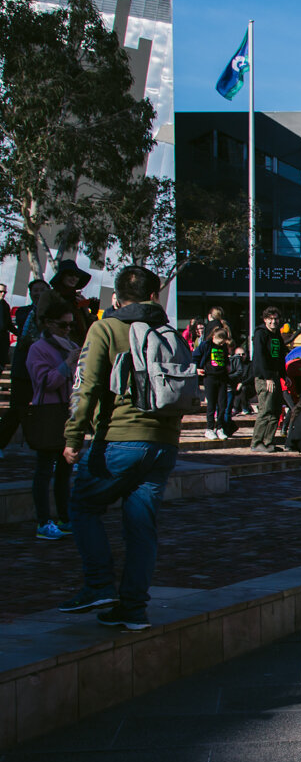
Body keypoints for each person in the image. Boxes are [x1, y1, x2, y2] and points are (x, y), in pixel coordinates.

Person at [58, 265, 183, 632]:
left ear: (116, 298)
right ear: (155, 296)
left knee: (82, 506)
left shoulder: (106, 328)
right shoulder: (168, 331)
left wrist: (72, 436)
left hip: (119, 439)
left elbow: (87, 385)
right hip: (162, 443)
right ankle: (132, 608)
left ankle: (98, 585)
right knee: (141, 527)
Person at [26, 304, 80, 540]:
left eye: (70, 324)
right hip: (48, 411)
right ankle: (43, 520)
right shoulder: (38, 349)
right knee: (45, 468)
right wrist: (67, 362)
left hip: (68, 411)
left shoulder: (72, 347)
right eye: (62, 325)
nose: (67, 329)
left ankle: (64, 518)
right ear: (49, 323)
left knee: (65, 468)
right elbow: (45, 382)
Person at [0, 279, 53, 456]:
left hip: (46, 368)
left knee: (46, 409)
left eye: (42, 290)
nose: (38, 293)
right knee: (17, 408)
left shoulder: (55, 313)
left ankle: (45, 447)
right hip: (23, 368)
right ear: (30, 294)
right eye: (35, 290)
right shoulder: (24, 312)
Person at [250, 306, 286, 452]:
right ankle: (257, 442)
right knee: (265, 409)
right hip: (265, 378)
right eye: (270, 319)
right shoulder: (260, 334)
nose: (273, 322)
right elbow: (260, 357)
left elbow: (280, 356)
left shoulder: (277, 335)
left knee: (276, 410)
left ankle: (268, 441)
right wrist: (268, 377)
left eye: (276, 319)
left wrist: (284, 376)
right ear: (265, 320)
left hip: (276, 376)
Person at [197, 327, 233, 440]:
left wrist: (227, 366)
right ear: (213, 337)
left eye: (223, 341)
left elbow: (226, 359)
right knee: (211, 404)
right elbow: (195, 356)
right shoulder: (206, 345)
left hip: (222, 377)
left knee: (222, 404)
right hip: (210, 377)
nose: (221, 343)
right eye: (219, 340)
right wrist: (197, 368)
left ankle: (220, 427)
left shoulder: (223, 347)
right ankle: (209, 428)